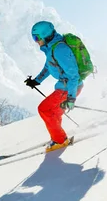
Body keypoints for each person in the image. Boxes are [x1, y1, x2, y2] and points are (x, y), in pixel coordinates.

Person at [25, 20, 83, 152]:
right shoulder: (52, 48)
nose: (36, 41)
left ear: (45, 35)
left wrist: (71, 98)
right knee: (55, 113)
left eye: (36, 38)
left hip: (68, 87)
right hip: (66, 87)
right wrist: (36, 81)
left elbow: (73, 75)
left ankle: (60, 140)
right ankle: (58, 137)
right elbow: (48, 67)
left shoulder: (60, 49)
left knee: (44, 109)